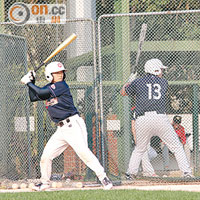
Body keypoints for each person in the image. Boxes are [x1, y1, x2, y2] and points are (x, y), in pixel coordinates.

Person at [20, 61, 113, 191]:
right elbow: (34, 97)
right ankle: (44, 182)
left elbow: (40, 93)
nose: (60, 75)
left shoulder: (61, 85)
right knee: (46, 156)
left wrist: (28, 83)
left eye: (61, 72)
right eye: (56, 73)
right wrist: (32, 82)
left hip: (72, 124)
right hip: (61, 129)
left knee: (83, 152)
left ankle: (103, 177)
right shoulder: (49, 88)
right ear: (49, 75)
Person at [120, 58, 193, 178]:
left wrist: (129, 82)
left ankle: (130, 173)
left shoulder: (138, 82)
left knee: (139, 149)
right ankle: (186, 172)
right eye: (160, 70)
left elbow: (123, 92)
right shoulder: (164, 82)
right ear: (155, 69)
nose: (162, 72)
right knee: (177, 147)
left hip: (142, 119)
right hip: (160, 118)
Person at [127, 106, 158, 178]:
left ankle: (132, 171)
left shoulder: (149, 109)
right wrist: (135, 137)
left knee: (152, 154)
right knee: (143, 154)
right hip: (139, 135)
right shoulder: (135, 109)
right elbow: (133, 124)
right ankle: (150, 172)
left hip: (146, 135)